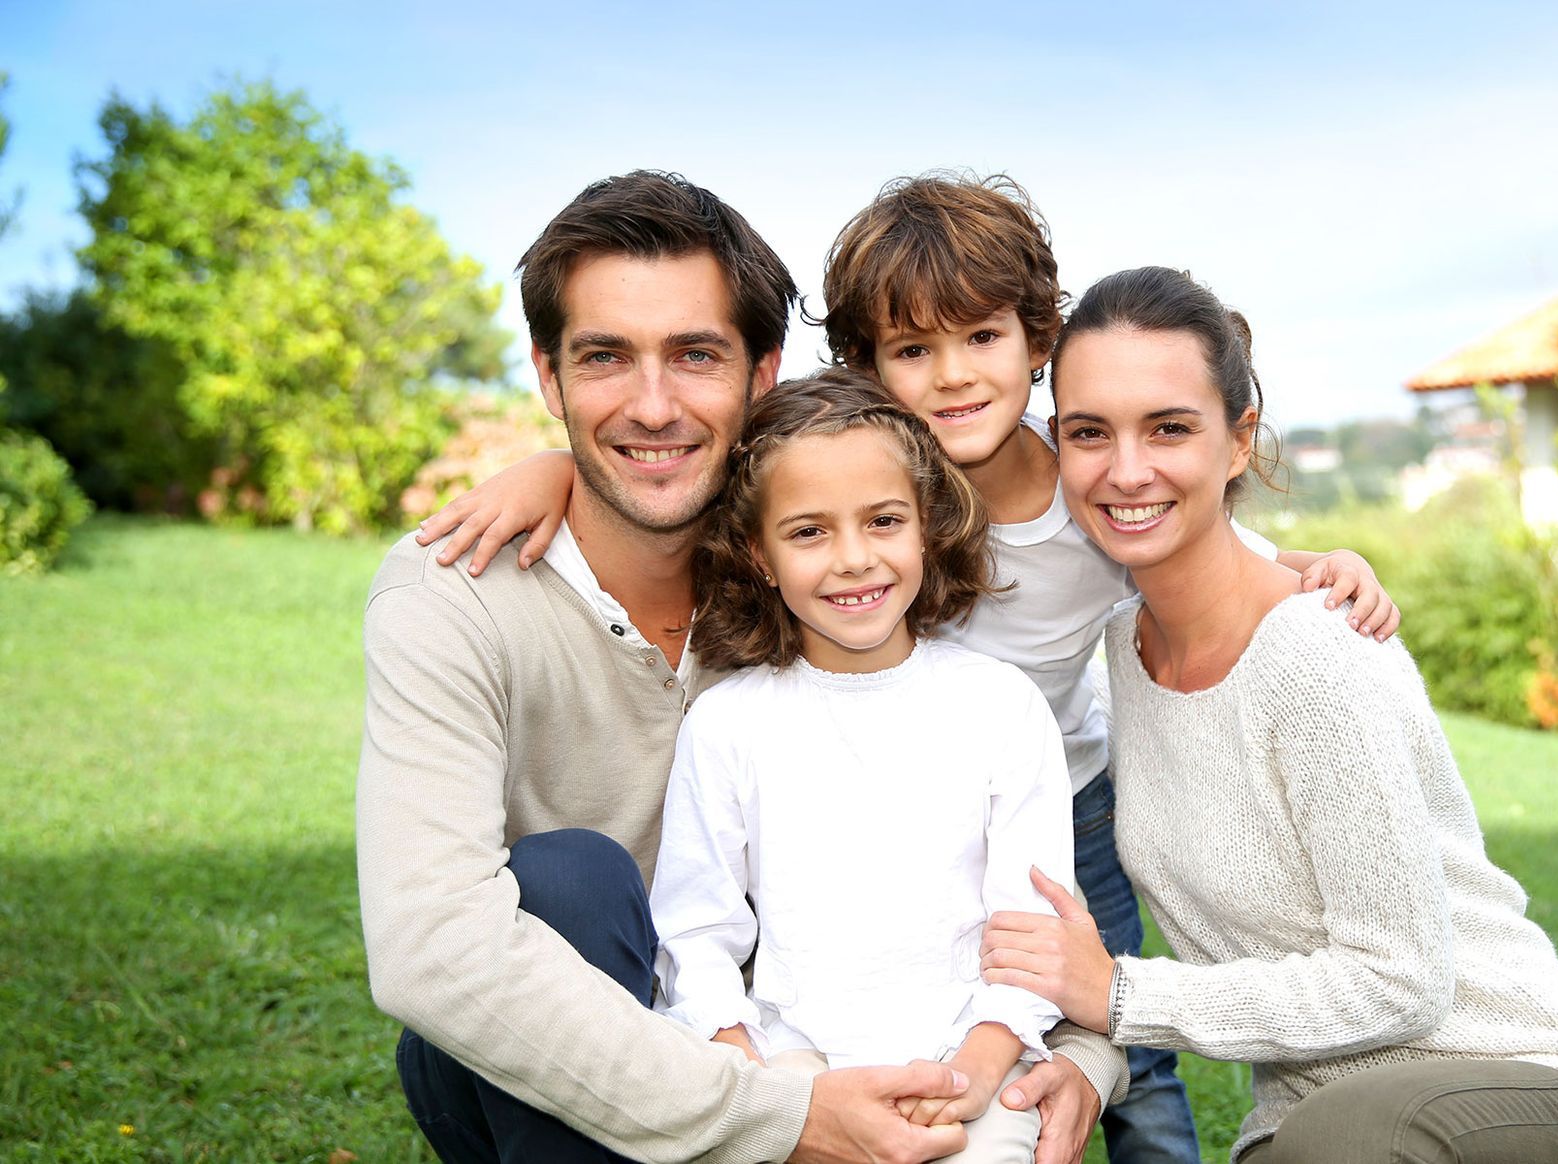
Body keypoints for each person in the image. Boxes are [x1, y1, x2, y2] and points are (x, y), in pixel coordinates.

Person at [420, 173, 1400, 1164]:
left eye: (982, 338)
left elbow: (1183, 522)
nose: (952, 375)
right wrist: (550, 467)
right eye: (914, 350)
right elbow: (707, 471)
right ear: (870, 368)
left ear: (1038, 345)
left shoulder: (1087, 485)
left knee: (1123, 1058)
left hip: (1071, 798)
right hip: (866, 813)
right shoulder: (852, 477)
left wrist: (1313, 567)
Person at [357, 170, 1124, 1164]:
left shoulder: (814, 588)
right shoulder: (452, 590)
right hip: (604, 1048)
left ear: (762, 374)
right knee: (568, 881)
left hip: (812, 1038)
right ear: (547, 378)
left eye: (694, 356)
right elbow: (435, 953)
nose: (652, 404)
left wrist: (1085, 1063)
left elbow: (984, 884)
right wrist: (777, 1117)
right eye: (603, 359)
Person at [977, 266, 1558, 1164]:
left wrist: (1127, 999)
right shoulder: (1119, 654)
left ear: (1237, 440)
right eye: (1089, 434)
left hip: (1517, 1081)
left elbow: (1402, 982)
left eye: (1169, 428)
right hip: (1306, 1127)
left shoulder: (1318, 654)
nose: (1126, 469)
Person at [655, 368, 1075, 1164]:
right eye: (809, 532)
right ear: (761, 554)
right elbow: (696, 931)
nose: (854, 559)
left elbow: (1030, 928)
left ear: (926, 527)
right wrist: (760, 1082)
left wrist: (975, 1075)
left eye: (883, 521)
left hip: (972, 1063)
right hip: (795, 1069)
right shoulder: (729, 723)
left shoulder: (1001, 707)